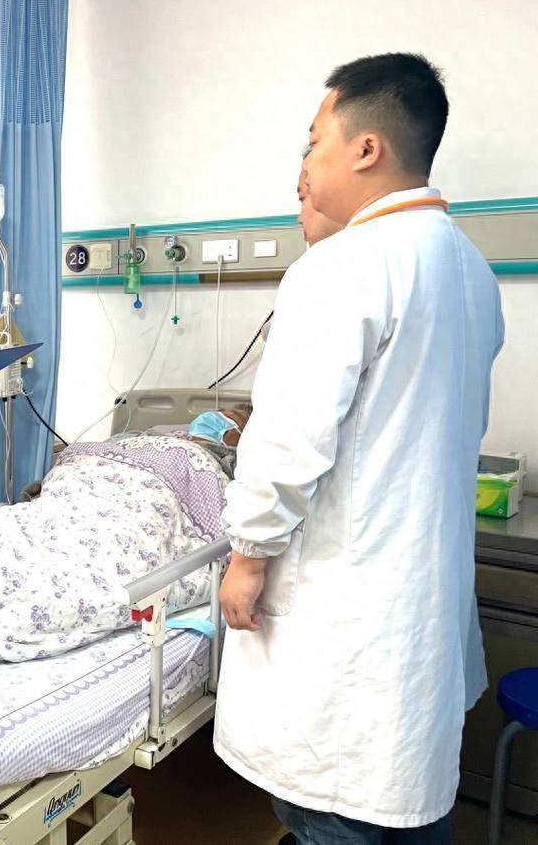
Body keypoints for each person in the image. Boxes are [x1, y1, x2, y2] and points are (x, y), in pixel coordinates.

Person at [215, 53, 504, 842]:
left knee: (333, 812)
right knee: (412, 810)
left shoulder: (341, 266)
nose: (306, 165)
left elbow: (288, 441)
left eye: (315, 142)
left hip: (347, 627)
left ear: (367, 148)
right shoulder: (469, 269)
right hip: (415, 612)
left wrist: (247, 556)